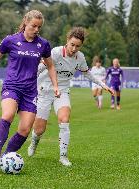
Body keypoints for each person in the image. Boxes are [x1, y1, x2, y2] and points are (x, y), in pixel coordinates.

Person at [0, 10, 59, 168]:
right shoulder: (11, 40)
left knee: (25, 129)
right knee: (7, 115)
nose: (36, 29)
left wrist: (55, 85)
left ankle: (6, 158)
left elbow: (50, 65)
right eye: (34, 26)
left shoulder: (43, 44)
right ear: (25, 23)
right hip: (12, 86)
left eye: (39, 27)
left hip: (30, 91)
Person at [27, 27, 114, 166]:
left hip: (62, 91)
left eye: (78, 46)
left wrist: (103, 85)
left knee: (65, 119)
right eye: (72, 44)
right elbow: (40, 68)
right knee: (39, 129)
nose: (74, 48)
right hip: (44, 90)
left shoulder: (80, 57)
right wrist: (27, 81)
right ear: (67, 41)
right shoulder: (55, 52)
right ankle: (34, 143)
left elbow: (88, 73)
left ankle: (63, 156)